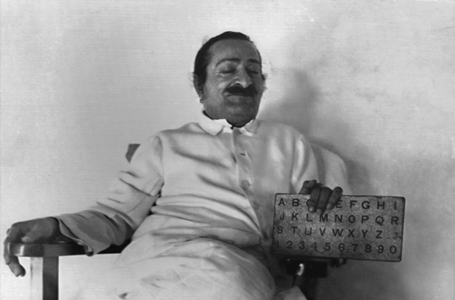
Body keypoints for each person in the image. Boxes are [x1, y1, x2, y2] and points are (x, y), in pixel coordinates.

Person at [4, 31, 350, 300]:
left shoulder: (288, 142)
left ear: (262, 86)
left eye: (254, 71)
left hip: (233, 267)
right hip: (150, 261)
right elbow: (115, 216)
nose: (243, 80)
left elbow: (309, 221)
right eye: (228, 70)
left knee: (226, 287)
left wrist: (318, 210)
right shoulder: (166, 144)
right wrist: (54, 225)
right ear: (201, 87)